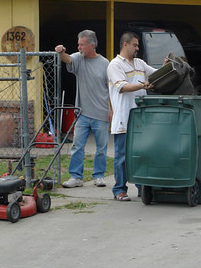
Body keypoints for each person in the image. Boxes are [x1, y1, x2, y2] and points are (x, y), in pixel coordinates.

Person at [55, 30, 111, 188]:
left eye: (82, 44)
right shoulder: (78, 58)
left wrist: (111, 110)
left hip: (101, 113)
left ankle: (99, 176)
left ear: (92, 45)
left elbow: (111, 88)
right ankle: (76, 177)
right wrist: (61, 51)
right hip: (82, 114)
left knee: (101, 148)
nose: (79, 47)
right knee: (77, 146)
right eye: (78, 44)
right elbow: (67, 59)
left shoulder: (105, 63)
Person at [106, 31, 155, 201]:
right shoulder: (115, 65)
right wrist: (142, 85)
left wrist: (166, 67)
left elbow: (154, 74)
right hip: (123, 119)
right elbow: (122, 87)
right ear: (125, 44)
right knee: (122, 157)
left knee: (142, 154)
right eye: (134, 44)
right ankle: (119, 189)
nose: (137, 48)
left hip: (141, 119)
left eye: (138, 45)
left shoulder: (140, 63)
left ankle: (142, 188)